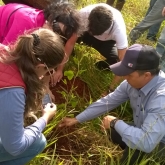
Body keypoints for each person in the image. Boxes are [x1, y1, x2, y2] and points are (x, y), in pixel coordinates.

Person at [59, 44, 165, 165]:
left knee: (134, 151)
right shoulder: (131, 83)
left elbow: (147, 142)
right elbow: (106, 102)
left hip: (158, 141)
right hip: (143, 128)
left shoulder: (161, 98)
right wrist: (76, 119)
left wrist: (116, 122)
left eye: (129, 74)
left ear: (146, 75)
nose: (125, 77)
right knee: (112, 130)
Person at [0, 28, 65, 164]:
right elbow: (15, 146)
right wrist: (45, 117)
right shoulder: (13, 92)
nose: (49, 73)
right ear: (40, 66)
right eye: (49, 71)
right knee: (38, 142)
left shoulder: (4, 50)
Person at [0, 2, 80, 98]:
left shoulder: (46, 32)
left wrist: (45, 88)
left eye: (61, 35)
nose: (55, 35)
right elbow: (7, 60)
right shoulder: (25, 24)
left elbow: (47, 62)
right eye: (57, 29)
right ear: (50, 18)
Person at [78, 3, 128, 91]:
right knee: (65, 32)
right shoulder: (84, 13)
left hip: (105, 42)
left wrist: (110, 89)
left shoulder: (119, 30)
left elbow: (123, 62)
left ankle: (98, 67)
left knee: (115, 59)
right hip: (85, 35)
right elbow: (71, 38)